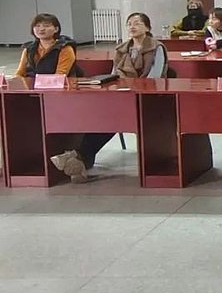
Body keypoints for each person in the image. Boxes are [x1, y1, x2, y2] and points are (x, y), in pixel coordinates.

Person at [51, 13, 169, 182]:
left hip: (148, 97)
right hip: (123, 95)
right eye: (129, 24)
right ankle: (80, 159)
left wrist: (132, 89)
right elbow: (115, 74)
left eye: (137, 23)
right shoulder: (122, 49)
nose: (132, 27)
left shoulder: (156, 47)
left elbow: (154, 77)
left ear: (147, 28)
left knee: (116, 118)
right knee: (105, 117)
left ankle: (78, 157)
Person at [13, 13, 78, 78]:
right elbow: (20, 73)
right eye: (37, 26)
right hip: (34, 82)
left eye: (46, 26)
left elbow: (60, 75)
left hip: (58, 82)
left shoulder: (65, 48)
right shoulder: (29, 49)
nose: (41, 29)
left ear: (56, 29)